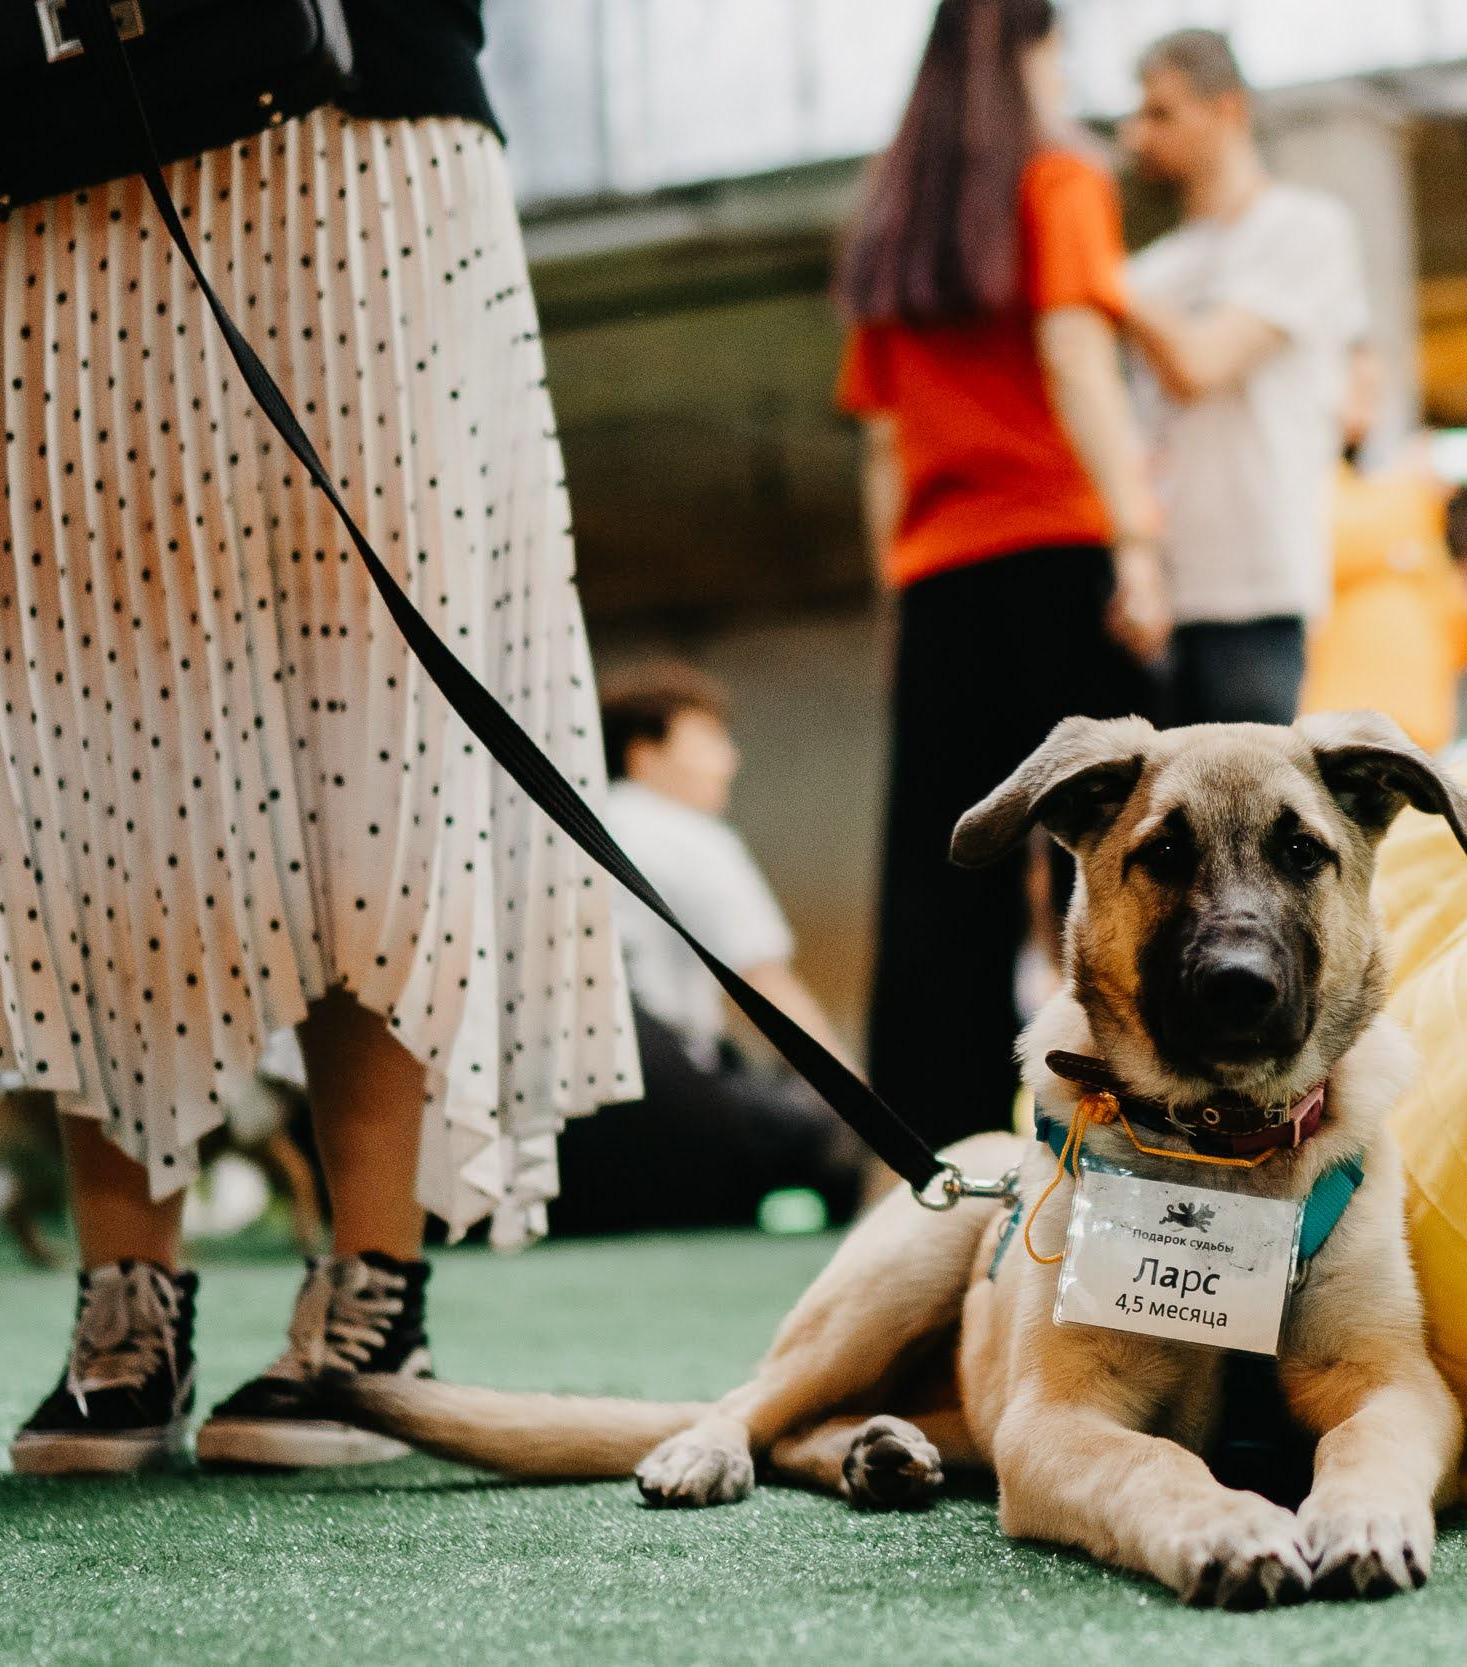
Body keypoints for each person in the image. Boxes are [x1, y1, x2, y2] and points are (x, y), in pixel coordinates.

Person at [0, 2, 639, 1473]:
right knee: (59, 714)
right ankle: (125, 1291)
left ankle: (370, 1287)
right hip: (0, 125)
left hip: (343, 103)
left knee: (366, 697)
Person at [837, 0, 1164, 1147]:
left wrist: (904, 594)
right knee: (1128, 845)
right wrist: (1139, 535)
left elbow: (883, 440)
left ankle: (927, 1157)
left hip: (941, 577)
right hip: (1060, 554)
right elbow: (1077, 354)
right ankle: (1150, 1119)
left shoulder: (893, 218)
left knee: (939, 882)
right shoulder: (1058, 179)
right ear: (1036, 48)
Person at [544, 666, 864, 1234]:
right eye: (708, 741)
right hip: (653, 1105)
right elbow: (766, 988)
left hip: (551, 1132)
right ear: (646, 754)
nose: (730, 761)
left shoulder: (567, 828)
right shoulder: (686, 833)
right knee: (831, 1147)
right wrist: (861, 1109)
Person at [1121, 28, 1369, 726]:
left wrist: (1091, 270)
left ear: (1227, 109)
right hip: (1159, 599)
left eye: (1161, 113)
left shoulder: (1305, 230)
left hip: (1258, 588)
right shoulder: (1149, 271)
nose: (1139, 136)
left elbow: (1201, 363)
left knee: (1247, 823)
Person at [1300, 346, 1467, 752]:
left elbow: (1443, 629)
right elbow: (1325, 545)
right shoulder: (1325, 482)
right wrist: (1409, 490)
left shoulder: (1403, 507)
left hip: (1420, 744)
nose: (1368, 408)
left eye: (1374, 393)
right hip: (1339, 738)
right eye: (1358, 388)